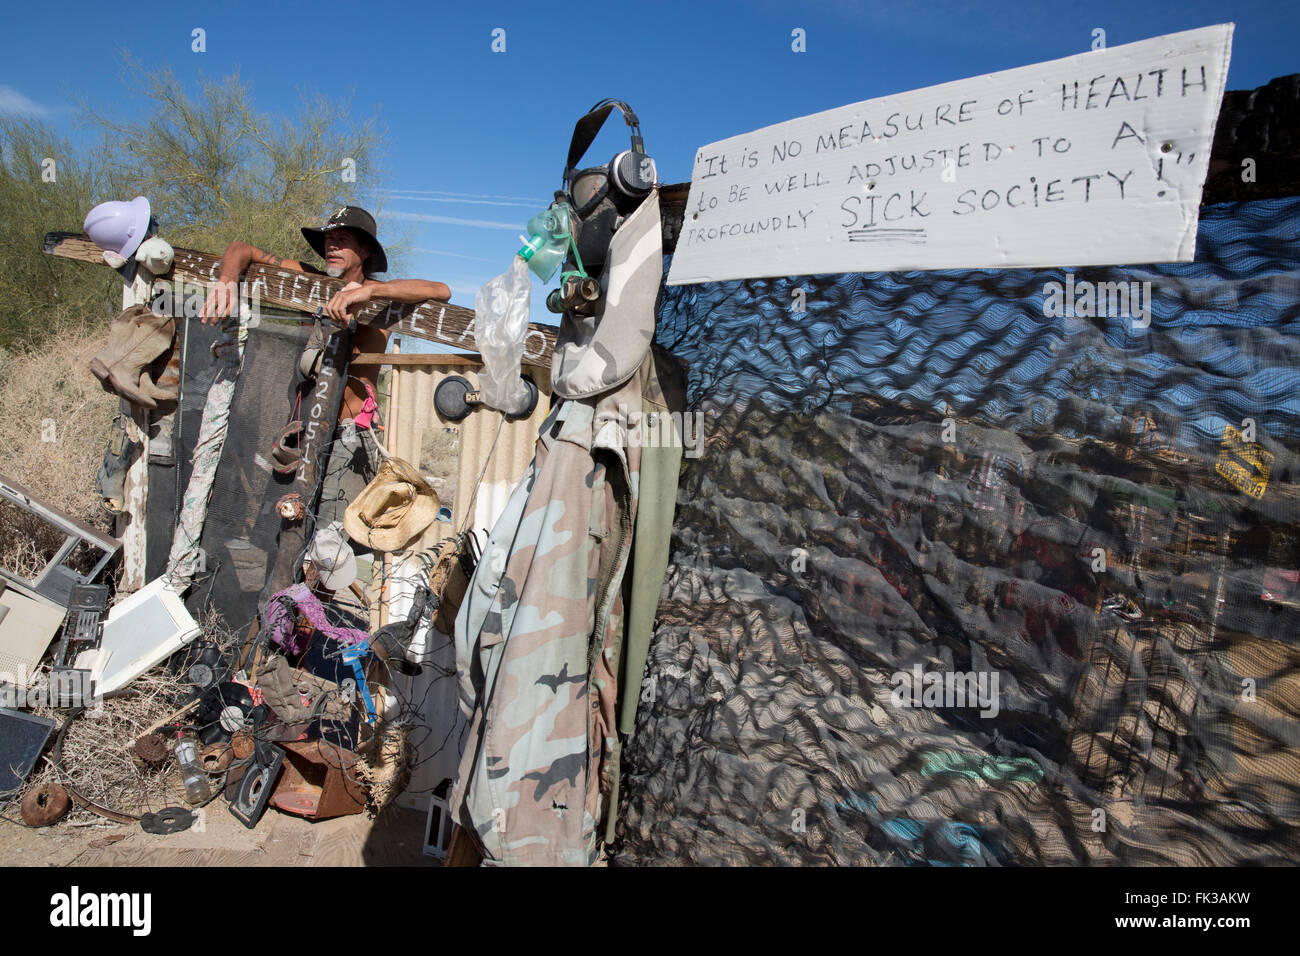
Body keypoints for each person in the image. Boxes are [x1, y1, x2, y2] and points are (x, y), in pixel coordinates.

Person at [199, 205, 449, 421]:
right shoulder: (310, 280)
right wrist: (227, 279)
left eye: (342, 240)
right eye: (329, 239)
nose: (332, 245)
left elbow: (442, 290)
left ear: (365, 251)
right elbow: (240, 248)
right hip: (297, 421)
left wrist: (368, 293)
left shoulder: (382, 294)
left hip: (348, 432)